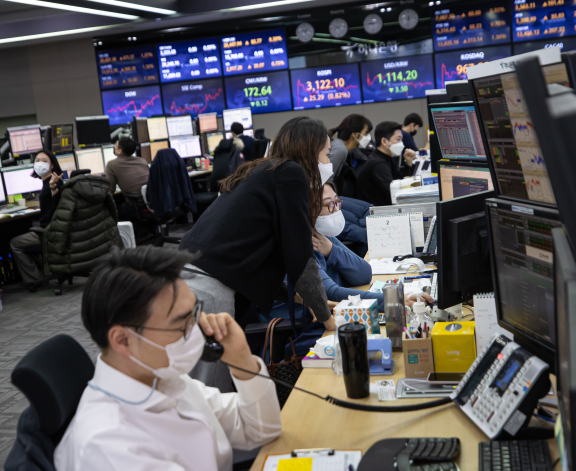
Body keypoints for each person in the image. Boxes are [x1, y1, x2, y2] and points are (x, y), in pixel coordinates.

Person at [54, 246, 281, 470]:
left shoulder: (161, 378)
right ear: (123, 340)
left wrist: (241, 360)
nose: (198, 330)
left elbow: (262, 429)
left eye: (195, 313)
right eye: (182, 324)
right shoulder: (110, 444)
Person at [179, 117, 336, 331]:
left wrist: (307, 300)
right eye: (327, 154)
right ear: (310, 149)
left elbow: (255, 258)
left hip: (194, 275)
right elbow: (299, 255)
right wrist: (328, 320)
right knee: (218, 363)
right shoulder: (290, 173)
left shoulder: (266, 170)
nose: (328, 162)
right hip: (209, 285)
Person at [266, 183, 432, 321]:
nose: (336, 210)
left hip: (332, 316)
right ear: (306, 210)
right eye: (328, 204)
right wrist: (396, 300)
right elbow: (331, 294)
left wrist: (331, 251)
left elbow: (364, 273)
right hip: (305, 329)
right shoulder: (300, 244)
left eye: (337, 202)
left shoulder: (322, 236)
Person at [9, 150, 63, 285]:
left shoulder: (53, 184)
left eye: (44, 161)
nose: (39, 164)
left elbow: (57, 199)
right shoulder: (48, 183)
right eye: (37, 161)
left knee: (15, 243)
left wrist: (53, 189)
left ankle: (35, 280)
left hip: (48, 232)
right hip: (55, 229)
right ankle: (43, 272)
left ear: (52, 166)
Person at [355, 121, 417, 206]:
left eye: (401, 139)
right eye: (398, 139)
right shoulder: (378, 164)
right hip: (376, 211)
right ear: (384, 141)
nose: (401, 144)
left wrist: (408, 162)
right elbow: (395, 194)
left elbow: (399, 180)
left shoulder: (386, 158)